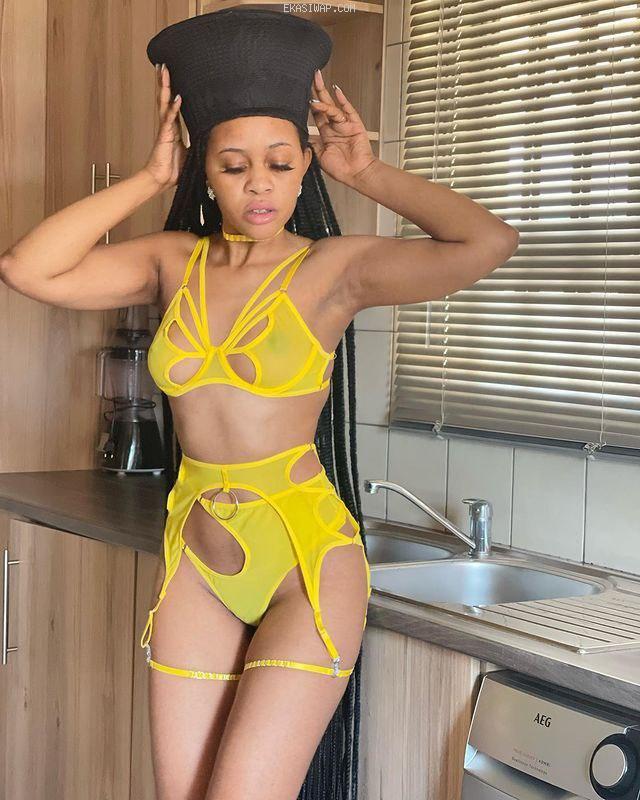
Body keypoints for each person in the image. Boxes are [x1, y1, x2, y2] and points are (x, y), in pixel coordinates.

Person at [0, 9, 519, 799]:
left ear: (306, 165)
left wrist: (368, 173)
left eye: (279, 162)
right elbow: (26, 269)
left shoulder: (334, 270)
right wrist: (148, 180)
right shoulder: (172, 262)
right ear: (204, 172)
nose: (259, 184)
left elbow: (487, 243)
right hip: (197, 558)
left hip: (304, 563)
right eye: (234, 164)